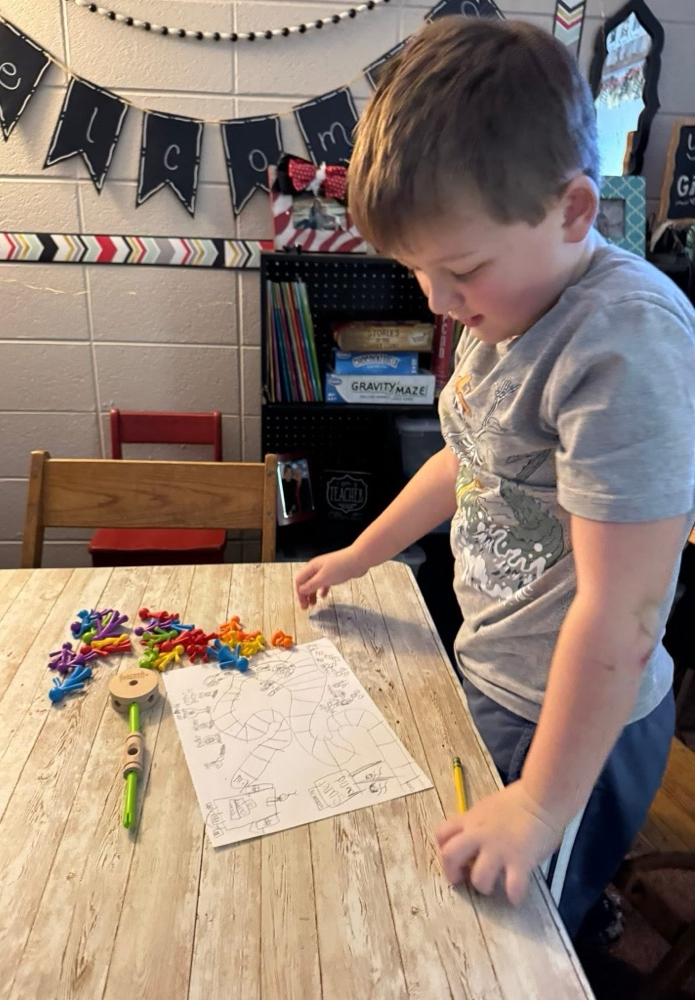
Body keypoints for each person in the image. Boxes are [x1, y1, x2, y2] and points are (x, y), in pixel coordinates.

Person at [294, 16, 695, 941]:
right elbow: (465, 458)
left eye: (459, 270)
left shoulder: (624, 346)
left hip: (572, 729)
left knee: (521, 944)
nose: (437, 303)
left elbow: (621, 612)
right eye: (417, 272)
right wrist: (361, 554)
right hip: (497, 675)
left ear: (574, 212)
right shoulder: (509, 302)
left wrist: (544, 807)